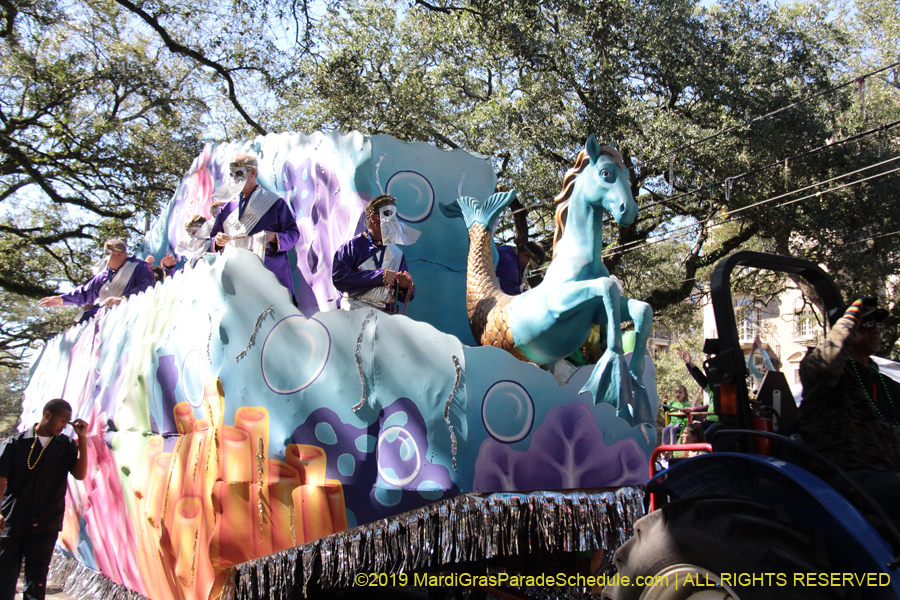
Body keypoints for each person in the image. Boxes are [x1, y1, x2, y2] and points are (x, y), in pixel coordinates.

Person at [798, 298, 900, 519]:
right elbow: (826, 364)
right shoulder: (822, 373)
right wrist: (849, 321)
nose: (875, 331)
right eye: (866, 324)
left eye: (877, 324)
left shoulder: (885, 383)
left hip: (887, 473)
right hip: (846, 475)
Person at [0, 399, 88, 600]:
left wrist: (82, 439)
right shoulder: (14, 444)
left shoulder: (65, 446)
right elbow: (1, 481)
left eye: (68, 422)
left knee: (37, 580)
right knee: (5, 578)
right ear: (48, 415)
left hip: (46, 523)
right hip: (13, 521)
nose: (64, 426)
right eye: (62, 421)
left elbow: (80, 474)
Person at [208, 154, 301, 301]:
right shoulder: (225, 208)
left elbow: (293, 234)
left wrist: (274, 237)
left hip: (270, 271)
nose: (235, 178)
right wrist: (217, 241)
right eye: (232, 174)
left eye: (239, 173)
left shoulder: (275, 202)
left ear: (253, 172)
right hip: (236, 274)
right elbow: (212, 240)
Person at [332, 194, 419, 313]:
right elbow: (339, 279)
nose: (394, 220)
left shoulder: (397, 254)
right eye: (388, 214)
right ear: (372, 217)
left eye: (395, 215)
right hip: (354, 315)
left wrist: (405, 287)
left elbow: (406, 296)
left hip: (386, 318)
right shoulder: (351, 247)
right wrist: (379, 276)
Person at [38, 239, 156, 322]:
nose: (104, 258)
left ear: (119, 255)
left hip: (129, 316)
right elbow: (85, 292)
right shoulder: (103, 275)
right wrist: (62, 299)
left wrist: (124, 300)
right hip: (102, 317)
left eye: (107, 255)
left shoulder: (140, 267)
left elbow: (145, 288)